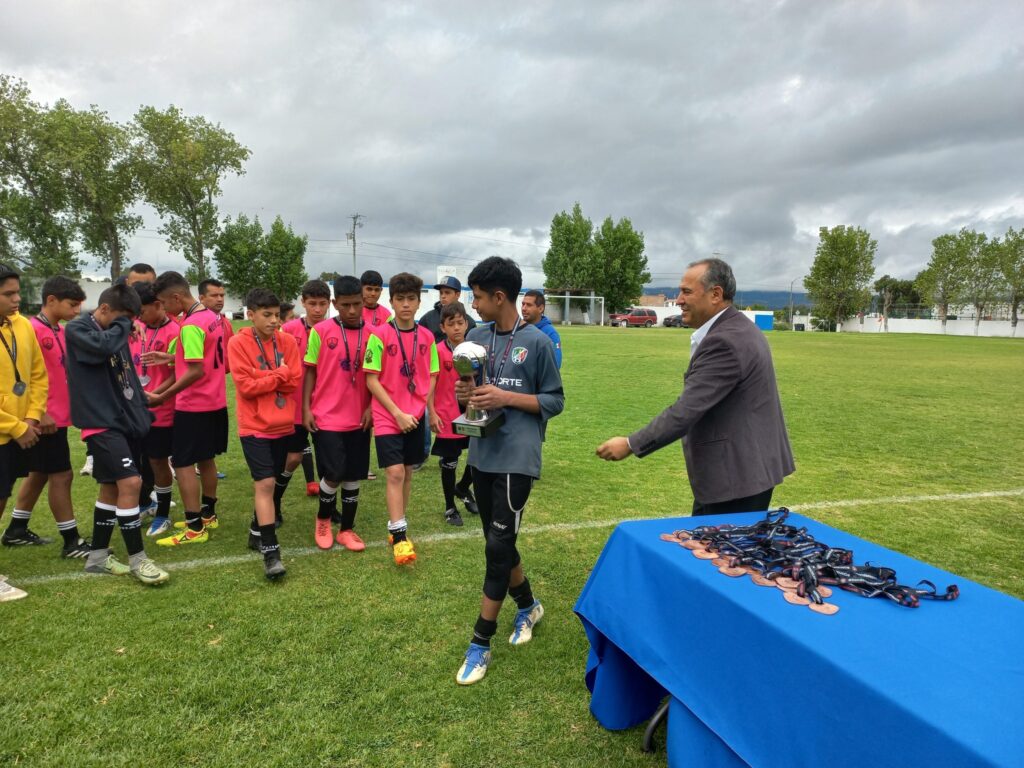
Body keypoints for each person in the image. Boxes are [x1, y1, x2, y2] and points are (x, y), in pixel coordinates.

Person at [596, 258, 795, 516]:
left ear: (715, 294)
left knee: (717, 555)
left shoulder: (726, 341)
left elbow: (687, 410)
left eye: (687, 292)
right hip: (746, 472)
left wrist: (631, 443)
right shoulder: (737, 328)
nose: (678, 300)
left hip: (736, 479)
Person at [453, 256, 564, 685]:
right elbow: (472, 387)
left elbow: (554, 401)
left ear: (499, 297)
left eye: (478, 297)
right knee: (500, 543)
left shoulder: (536, 342)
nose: (473, 305)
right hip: (483, 452)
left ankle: (480, 643)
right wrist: (468, 389)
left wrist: (505, 397)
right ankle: (529, 605)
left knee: (498, 548)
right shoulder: (477, 337)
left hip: (518, 458)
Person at [64, 284, 168, 586]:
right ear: (105, 309)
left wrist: (141, 399)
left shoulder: (115, 330)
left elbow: (125, 372)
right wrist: (125, 325)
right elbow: (103, 347)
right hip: (100, 423)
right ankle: (138, 560)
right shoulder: (78, 328)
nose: (129, 325)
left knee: (110, 487)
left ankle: (97, 557)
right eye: (124, 319)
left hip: (123, 419)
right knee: (132, 482)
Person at [2, 276, 91, 557]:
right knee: (61, 475)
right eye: (72, 305)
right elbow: (29, 378)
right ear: (51, 300)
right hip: (43, 419)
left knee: (39, 472)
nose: (77, 311)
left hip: (48, 417)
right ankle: (71, 541)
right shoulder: (34, 328)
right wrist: (43, 412)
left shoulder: (54, 330)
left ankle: (16, 528)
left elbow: (46, 374)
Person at [363, 272, 439, 566]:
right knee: (394, 473)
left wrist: (422, 408)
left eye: (411, 299)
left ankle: (398, 524)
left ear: (419, 302)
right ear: (391, 301)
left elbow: (432, 375)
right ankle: (399, 533)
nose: (406, 305)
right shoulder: (379, 335)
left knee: (407, 472)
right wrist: (397, 412)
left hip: (415, 415)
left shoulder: (428, 336)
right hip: (388, 415)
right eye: (400, 299)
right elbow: (371, 379)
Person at [149, 271, 228, 546]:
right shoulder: (212, 318)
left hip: (194, 405)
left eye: (163, 302)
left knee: (183, 463)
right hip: (215, 402)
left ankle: (194, 528)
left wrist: (162, 396)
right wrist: (172, 356)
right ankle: (208, 514)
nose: (163, 308)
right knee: (205, 459)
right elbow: (205, 355)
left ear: (176, 297)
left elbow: (195, 370)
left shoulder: (191, 324)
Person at [228, 288, 302, 580]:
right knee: (266, 483)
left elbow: (293, 382)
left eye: (277, 315)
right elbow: (245, 387)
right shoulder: (238, 343)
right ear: (251, 315)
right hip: (254, 426)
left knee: (270, 481)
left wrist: (268, 378)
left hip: (283, 424)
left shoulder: (288, 342)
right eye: (267, 315)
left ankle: (255, 531)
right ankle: (272, 554)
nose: (274, 321)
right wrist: (279, 375)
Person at [302, 276, 372, 552]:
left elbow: (378, 377)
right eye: (346, 306)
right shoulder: (320, 332)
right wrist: (307, 407)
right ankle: (323, 520)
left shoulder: (374, 334)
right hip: (326, 416)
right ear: (335, 304)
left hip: (360, 418)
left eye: (357, 304)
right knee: (334, 474)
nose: (352, 311)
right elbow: (310, 370)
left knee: (354, 475)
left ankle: (346, 530)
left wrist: (370, 408)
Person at [0, 263, 45, 602]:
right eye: (8, 294)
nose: (17, 300)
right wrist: (15, 427)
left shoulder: (23, 326)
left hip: (19, 430)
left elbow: (37, 374)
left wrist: (31, 417)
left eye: (17, 292)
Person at [128, 282, 180, 537]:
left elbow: (178, 373)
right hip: (136, 408)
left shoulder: (175, 331)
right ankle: (146, 503)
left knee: (158, 461)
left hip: (162, 407)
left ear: (159, 305)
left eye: (143, 311)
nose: (139, 317)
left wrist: (157, 395)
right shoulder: (135, 329)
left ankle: (162, 514)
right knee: (138, 461)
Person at [280, 280, 332, 511]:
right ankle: (274, 502)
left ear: (330, 304)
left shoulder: (334, 330)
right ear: (303, 303)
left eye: (322, 304)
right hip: (295, 408)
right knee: (292, 459)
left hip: (326, 409)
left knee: (327, 463)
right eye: (312, 304)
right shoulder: (289, 330)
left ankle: (329, 508)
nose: (318, 309)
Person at [426, 301, 478, 527]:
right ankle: (450, 506)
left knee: (478, 459)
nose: (457, 328)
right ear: (443, 327)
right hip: (446, 414)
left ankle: (463, 487)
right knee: (449, 462)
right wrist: (432, 412)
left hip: (473, 413)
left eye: (460, 322)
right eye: (451, 324)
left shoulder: (475, 349)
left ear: (466, 324)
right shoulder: (436, 351)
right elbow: (430, 384)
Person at [198, 278, 231, 480]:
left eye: (222, 295)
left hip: (216, 392)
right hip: (196, 391)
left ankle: (206, 465)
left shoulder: (225, 323)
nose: (220, 299)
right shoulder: (191, 322)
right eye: (214, 295)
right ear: (201, 298)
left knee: (210, 439)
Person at [419, 276, 477, 341]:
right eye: (441, 293)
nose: (443, 296)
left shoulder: (470, 322)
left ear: (457, 295)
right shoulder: (427, 319)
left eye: (447, 292)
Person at [520, 289, 562, 369]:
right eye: (523, 304)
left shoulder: (550, 333)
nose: (523, 308)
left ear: (540, 309)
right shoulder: (517, 329)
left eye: (529, 305)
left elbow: (554, 365)